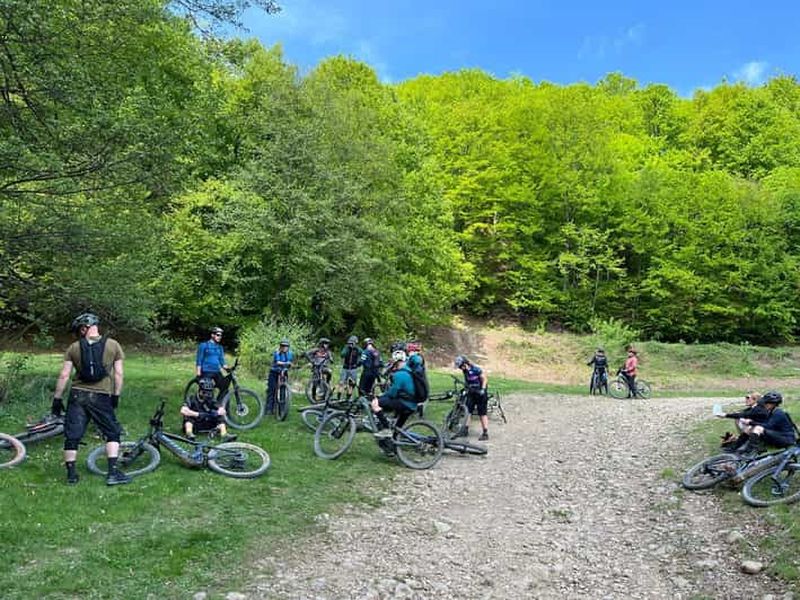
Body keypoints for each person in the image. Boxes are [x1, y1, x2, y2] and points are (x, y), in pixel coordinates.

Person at [50, 313, 131, 486]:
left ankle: (71, 475)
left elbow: (64, 375)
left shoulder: (73, 348)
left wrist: (57, 399)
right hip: (101, 395)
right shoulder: (113, 345)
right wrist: (116, 395)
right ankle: (112, 473)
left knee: (73, 435)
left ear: (83, 328)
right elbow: (119, 374)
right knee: (112, 432)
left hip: (77, 394)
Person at [370, 348, 417, 443]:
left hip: (405, 403)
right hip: (412, 404)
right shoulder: (409, 371)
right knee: (396, 431)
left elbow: (393, 392)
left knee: (375, 403)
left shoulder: (399, 374)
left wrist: (380, 397)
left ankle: (386, 429)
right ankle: (393, 448)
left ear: (396, 362)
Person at [180, 376, 235, 441]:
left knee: (220, 418)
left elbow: (222, 410)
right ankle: (189, 434)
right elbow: (183, 410)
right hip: (196, 423)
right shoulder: (191, 398)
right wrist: (198, 414)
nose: (207, 395)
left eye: (209, 392)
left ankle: (224, 435)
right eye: (204, 392)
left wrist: (217, 412)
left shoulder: (211, 399)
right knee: (188, 418)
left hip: (208, 421)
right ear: (199, 390)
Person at [454, 355, 490, 441]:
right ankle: (465, 430)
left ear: (465, 363)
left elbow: (484, 379)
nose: (460, 368)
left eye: (460, 366)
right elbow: (467, 381)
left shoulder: (476, 369)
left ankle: (485, 433)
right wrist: (466, 389)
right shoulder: (465, 371)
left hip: (480, 393)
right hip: (471, 393)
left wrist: (483, 389)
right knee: (468, 411)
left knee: (482, 413)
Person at [195, 326, 229, 391]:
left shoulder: (220, 347)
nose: (219, 337)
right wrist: (198, 373)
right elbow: (199, 360)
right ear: (212, 335)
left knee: (224, 388)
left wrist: (228, 368)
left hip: (217, 371)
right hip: (206, 371)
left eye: (221, 336)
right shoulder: (204, 345)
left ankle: (221, 401)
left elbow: (222, 361)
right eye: (218, 335)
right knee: (207, 390)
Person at [266, 339, 294, 414]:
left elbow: (290, 362)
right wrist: (287, 363)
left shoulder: (290, 353)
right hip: (274, 372)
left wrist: (290, 364)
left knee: (283, 390)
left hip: (284, 372)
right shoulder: (277, 352)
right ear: (280, 346)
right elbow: (278, 362)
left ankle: (282, 408)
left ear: (288, 347)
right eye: (283, 346)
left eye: (286, 346)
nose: (284, 347)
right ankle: (269, 408)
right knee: (272, 390)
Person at [336, 335, 361, 400]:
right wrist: (348, 349)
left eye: (353, 343)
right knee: (341, 383)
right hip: (345, 368)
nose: (351, 344)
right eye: (350, 343)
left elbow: (363, 354)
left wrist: (359, 362)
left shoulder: (357, 349)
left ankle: (348, 398)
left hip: (353, 369)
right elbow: (342, 355)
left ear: (356, 343)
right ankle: (338, 398)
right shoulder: (346, 348)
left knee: (351, 384)